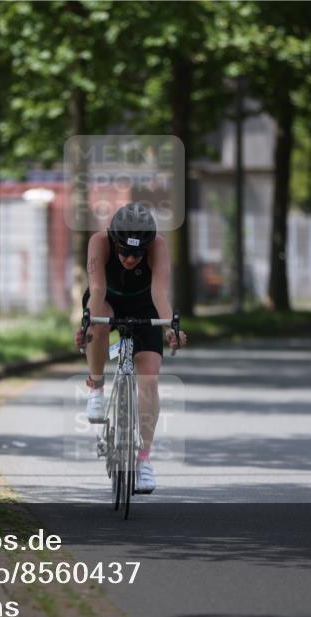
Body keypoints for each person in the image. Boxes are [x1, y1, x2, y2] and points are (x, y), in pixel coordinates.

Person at [74, 203, 187, 494]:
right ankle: (96, 388)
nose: (129, 259)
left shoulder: (158, 246)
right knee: (99, 326)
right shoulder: (98, 242)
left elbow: (159, 293)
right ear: (113, 240)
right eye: (123, 251)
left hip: (143, 303)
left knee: (149, 378)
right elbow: (97, 289)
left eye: (137, 253)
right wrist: (87, 324)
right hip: (107, 298)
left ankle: (144, 460)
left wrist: (170, 328)